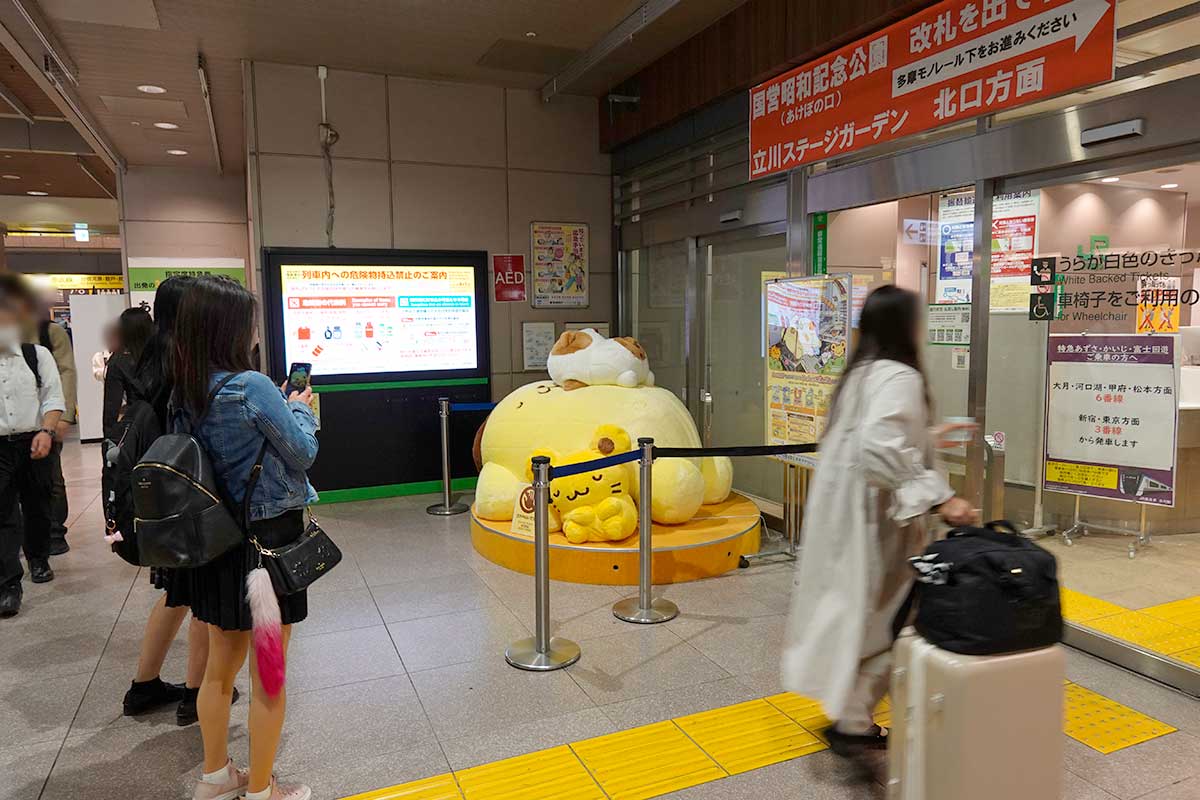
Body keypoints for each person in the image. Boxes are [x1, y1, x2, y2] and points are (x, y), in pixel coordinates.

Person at [781, 285, 977, 757]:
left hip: (847, 518)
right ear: (905, 326)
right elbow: (878, 445)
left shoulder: (861, 373)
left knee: (862, 615)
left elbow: (872, 438)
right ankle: (853, 720)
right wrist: (943, 499)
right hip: (875, 524)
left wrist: (930, 436)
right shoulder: (900, 375)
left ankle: (851, 715)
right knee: (896, 616)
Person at [174, 276, 318, 800]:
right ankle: (262, 790)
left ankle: (215, 777)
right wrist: (300, 407)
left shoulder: (184, 390)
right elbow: (303, 452)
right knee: (269, 673)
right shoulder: (251, 386)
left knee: (219, 667)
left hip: (214, 543)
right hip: (268, 548)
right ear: (230, 329)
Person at [120, 276, 232, 726]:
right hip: (190, 498)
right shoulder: (188, 364)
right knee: (204, 596)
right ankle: (195, 692)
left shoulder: (152, 358)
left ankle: (144, 685)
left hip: (161, 499)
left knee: (177, 594)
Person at [0, 285, 65, 617]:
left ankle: (38, 558)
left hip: (35, 440)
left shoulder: (36, 355)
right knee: (3, 513)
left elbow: (53, 396)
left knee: (38, 505)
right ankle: (8, 584)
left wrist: (47, 430)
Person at [101, 307, 153, 439]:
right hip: (166, 426)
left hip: (137, 427)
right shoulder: (161, 356)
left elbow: (111, 408)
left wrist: (109, 440)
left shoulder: (118, 362)